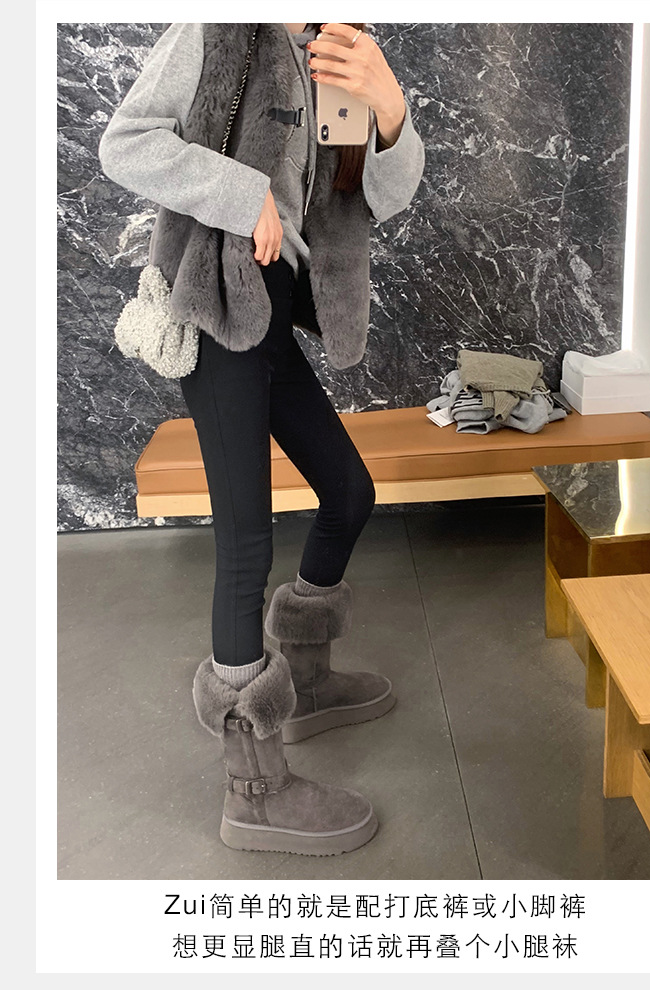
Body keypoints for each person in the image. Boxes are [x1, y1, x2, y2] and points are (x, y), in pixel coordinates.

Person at [99, 22, 425, 857]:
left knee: (349, 492)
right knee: (246, 543)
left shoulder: (336, 49)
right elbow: (125, 142)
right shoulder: (217, 27)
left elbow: (377, 199)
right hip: (217, 304)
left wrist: (389, 108)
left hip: (272, 309)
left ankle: (305, 681)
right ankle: (253, 790)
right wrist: (242, 194)